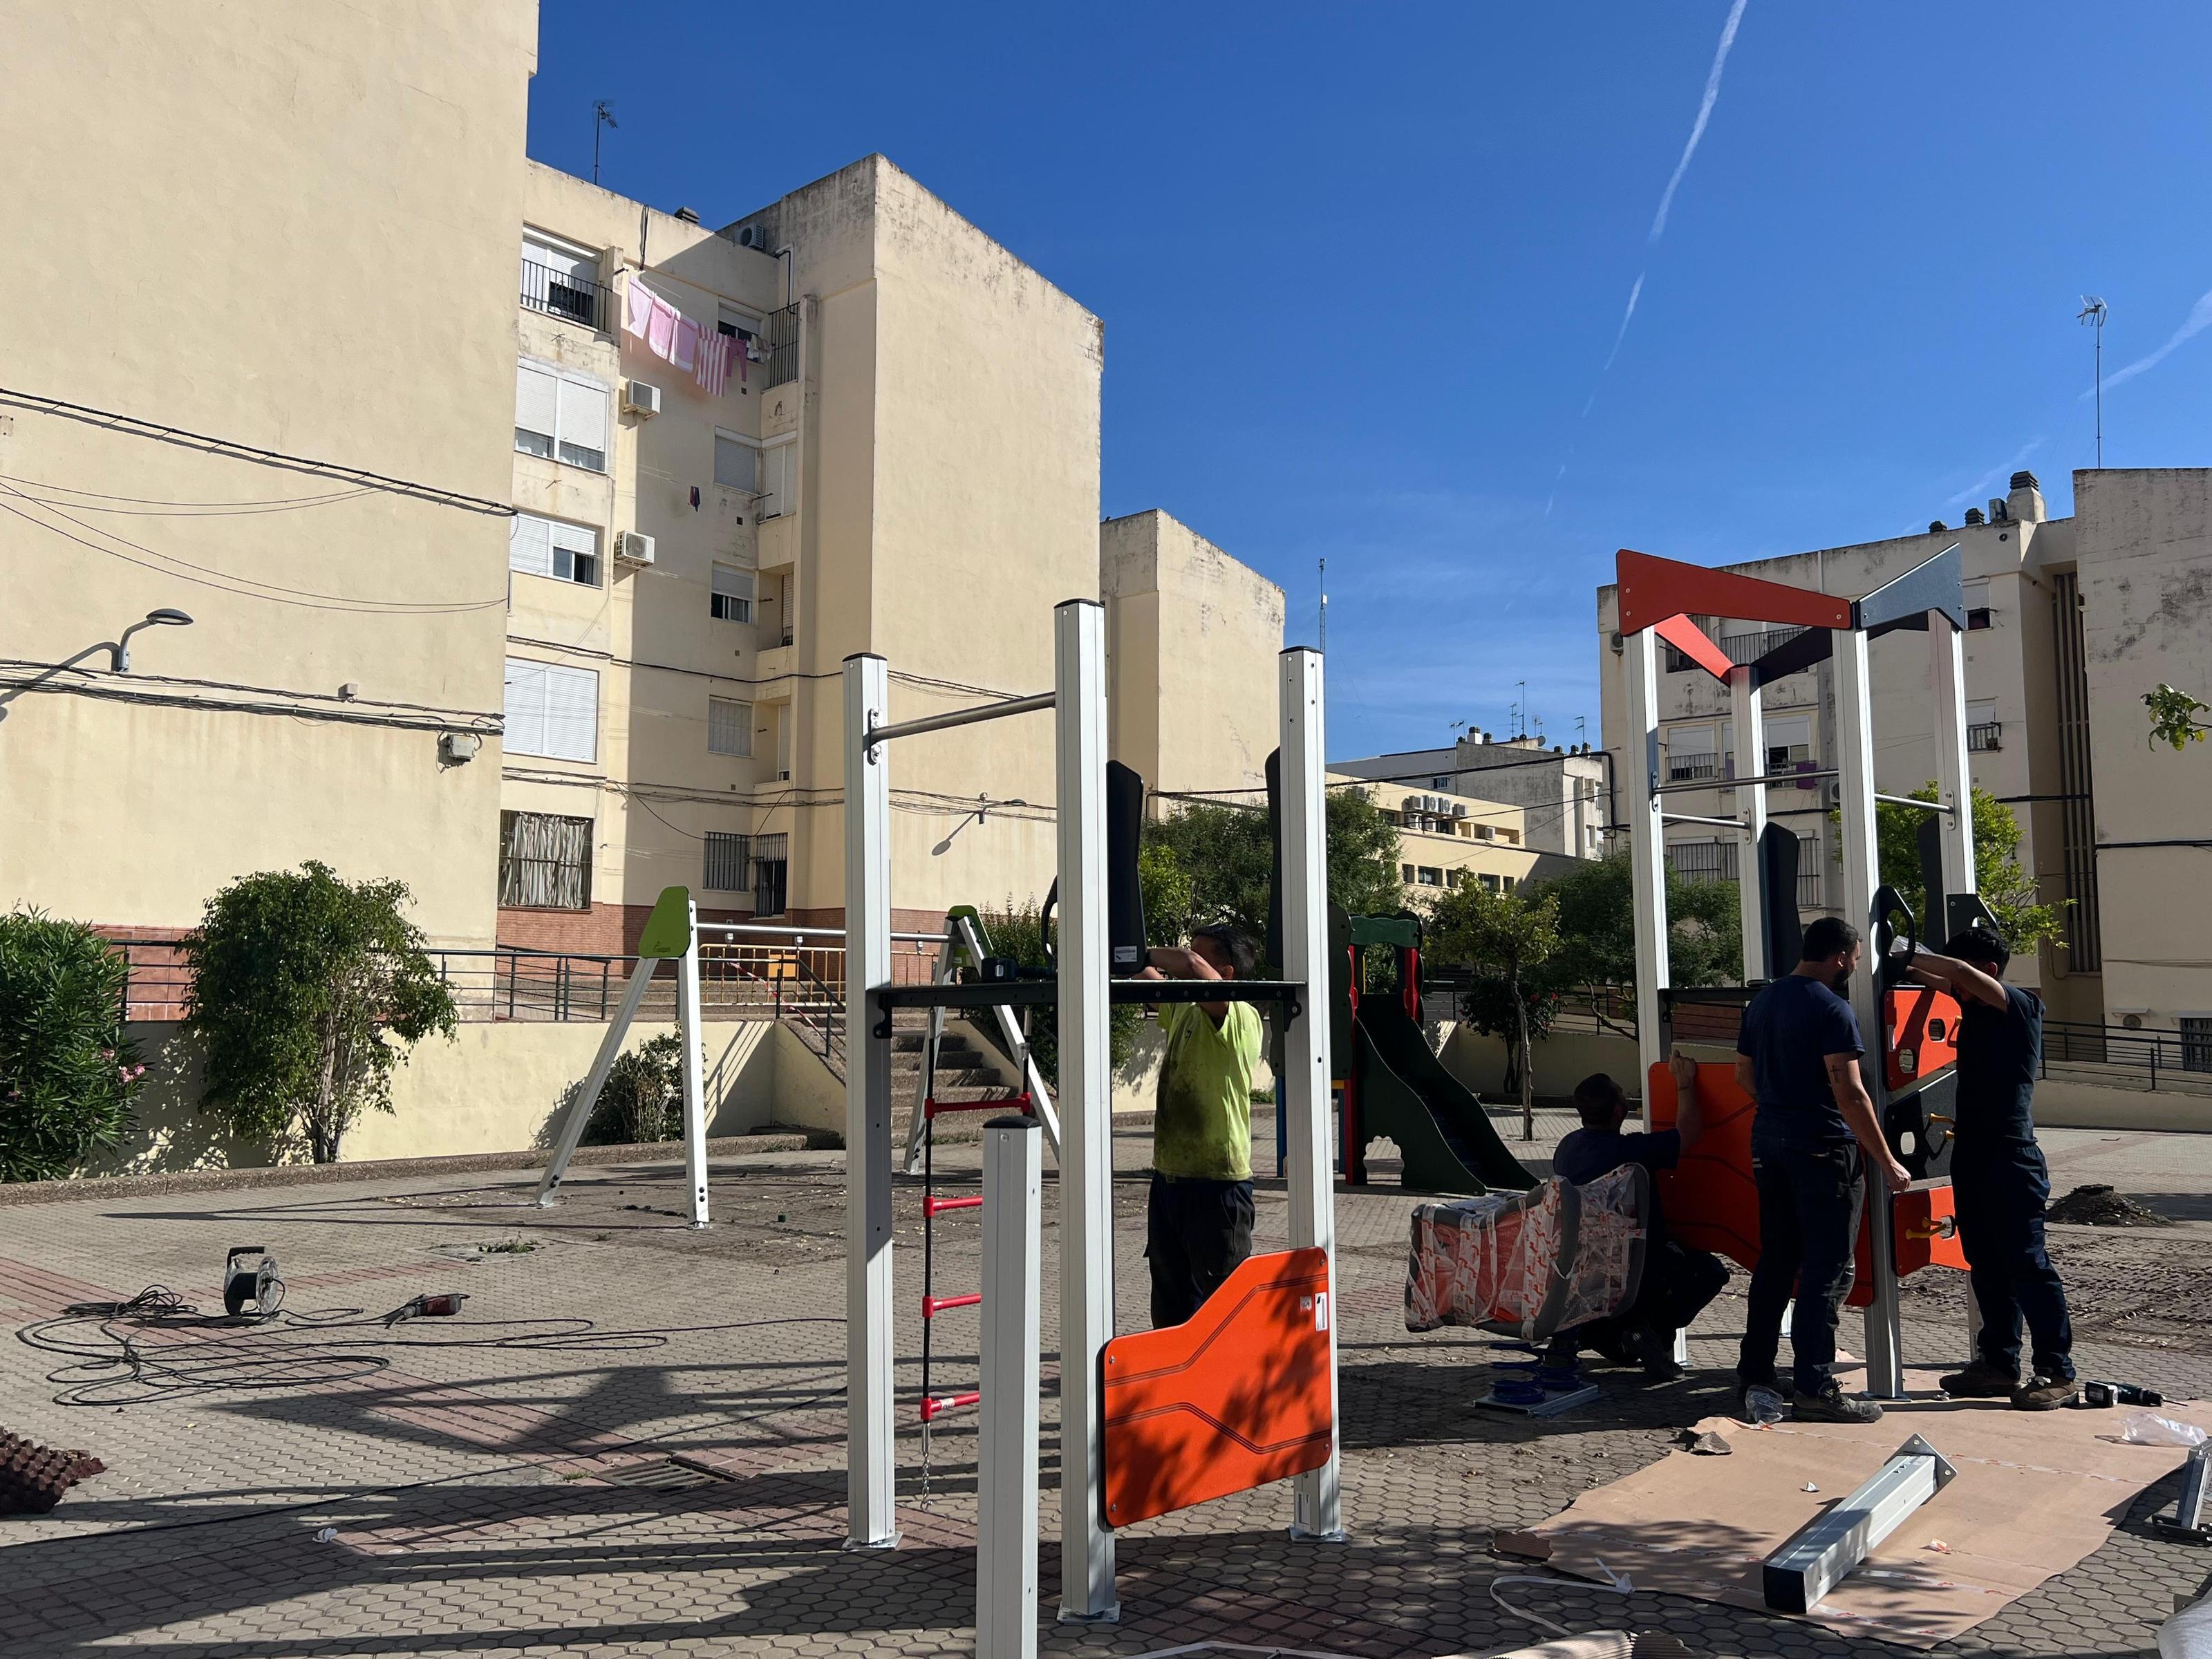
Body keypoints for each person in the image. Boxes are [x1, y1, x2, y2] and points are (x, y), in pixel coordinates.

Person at [1734, 916, 1913, 1424]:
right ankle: (1814, 1384)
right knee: (1825, 1270)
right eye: (1856, 959)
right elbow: (1851, 1094)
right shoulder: (1832, 1010)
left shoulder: (1763, 1003)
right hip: (1823, 1152)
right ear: (1839, 957)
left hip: (1769, 1146)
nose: (1856, 967)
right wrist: (1886, 1160)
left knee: (1775, 1263)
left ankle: (1755, 1372)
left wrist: (1781, 1108)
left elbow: (1742, 1074)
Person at [1905, 927, 2078, 1409]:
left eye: (1964, 978)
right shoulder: (1974, 1005)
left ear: (1990, 972)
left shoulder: (2020, 1006)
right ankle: (1999, 1365)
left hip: (2011, 1156)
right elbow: (1939, 978)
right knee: (1986, 1264)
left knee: (2027, 1265)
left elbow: (1955, 973)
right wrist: (1895, 966)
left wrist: (1913, 952)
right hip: (1974, 1154)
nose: (1954, 991)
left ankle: (2057, 1372)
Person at [1546, 1054, 1731, 1378]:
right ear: (1619, 1111)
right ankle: (1646, 1331)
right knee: (1711, 1272)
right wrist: (1685, 1084)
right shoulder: (1631, 1152)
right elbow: (1690, 1134)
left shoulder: (1567, 1147)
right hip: (1638, 1261)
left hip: (1586, 1262)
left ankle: (1615, 1334)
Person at [1137, 924, 1264, 1329]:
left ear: (1225, 974)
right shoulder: (1185, 1007)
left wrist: (1141, 950)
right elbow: (1149, 976)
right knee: (1172, 1307)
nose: (1187, 961)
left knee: (1221, 1311)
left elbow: (1188, 965)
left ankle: (1231, 1389)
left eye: (1200, 955)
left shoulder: (1239, 1014)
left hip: (1217, 1185)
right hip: (1170, 1180)